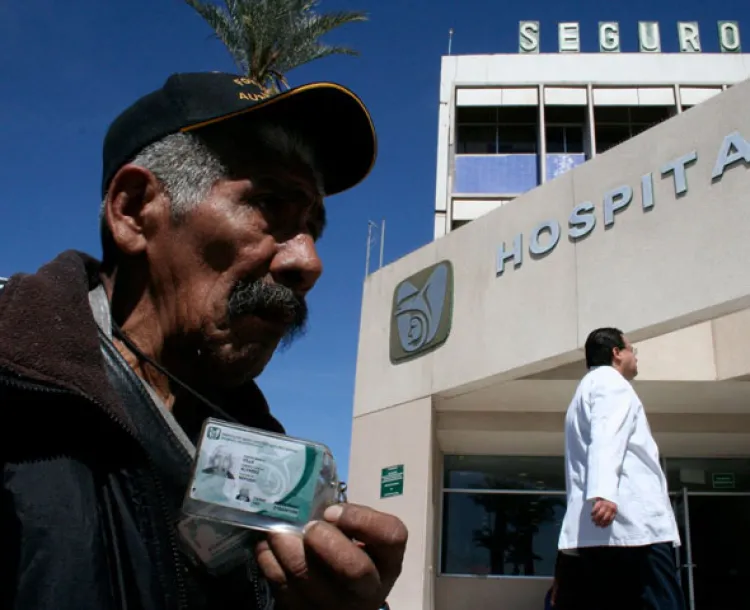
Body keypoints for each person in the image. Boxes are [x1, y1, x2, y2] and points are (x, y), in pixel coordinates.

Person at [0, 72, 406, 610]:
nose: (308, 262)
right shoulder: (16, 408)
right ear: (135, 210)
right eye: (267, 204)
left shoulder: (267, 465)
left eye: (313, 227)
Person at [557, 328, 683, 610]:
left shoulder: (585, 389)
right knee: (663, 603)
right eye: (632, 350)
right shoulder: (609, 382)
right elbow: (607, 434)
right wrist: (604, 493)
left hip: (601, 533)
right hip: (633, 528)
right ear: (616, 353)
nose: (635, 357)